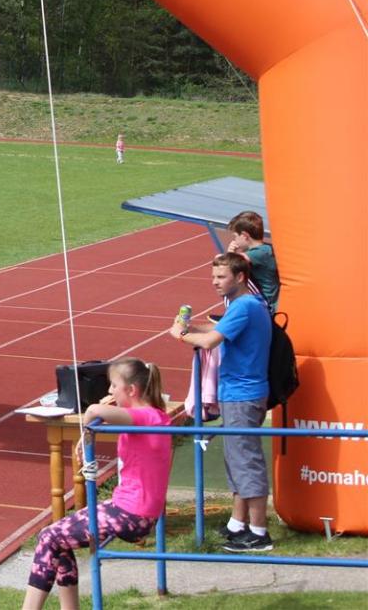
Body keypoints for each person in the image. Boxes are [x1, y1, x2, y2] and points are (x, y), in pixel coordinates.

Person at [23, 358, 172, 610]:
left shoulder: (147, 416)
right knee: (57, 540)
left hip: (131, 513)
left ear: (131, 390)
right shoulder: (152, 416)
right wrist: (99, 416)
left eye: (113, 386)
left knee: (49, 537)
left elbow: (93, 410)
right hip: (130, 508)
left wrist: (93, 419)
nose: (110, 391)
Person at [170, 252, 273, 551]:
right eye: (213, 277)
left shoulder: (244, 306)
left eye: (221, 277)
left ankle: (259, 533)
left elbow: (210, 341)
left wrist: (180, 335)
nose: (215, 282)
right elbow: (215, 330)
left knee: (246, 462)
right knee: (236, 460)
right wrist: (191, 329)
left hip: (243, 394)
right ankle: (238, 525)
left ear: (240, 277)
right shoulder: (246, 304)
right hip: (238, 392)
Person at [226, 210, 279, 314]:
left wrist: (230, 253)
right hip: (267, 304)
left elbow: (229, 265)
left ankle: (233, 313)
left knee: (229, 279)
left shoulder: (258, 253)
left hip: (267, 307)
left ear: (245, 236)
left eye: (235, 236)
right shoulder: (266, 249)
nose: (234, 241)